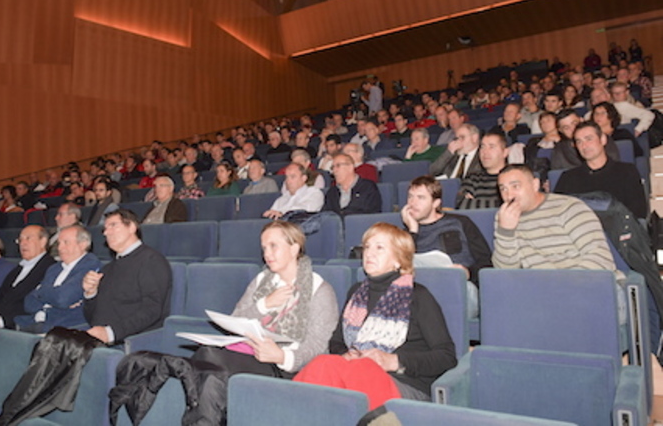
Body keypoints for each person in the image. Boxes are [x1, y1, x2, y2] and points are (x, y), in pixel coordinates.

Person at [188, 221, 339, 423]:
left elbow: (319, 346)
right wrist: (264, 305)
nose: (267, 253)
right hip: (252, 354)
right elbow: (235, 320)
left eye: (273, 246)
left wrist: (281, 355)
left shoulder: (319, 290)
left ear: (294, 249)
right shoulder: (261, 281)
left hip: (288, 367)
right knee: (209, 364)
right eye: (264, 248)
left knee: (208, 363)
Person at [293, 222, 457, 409]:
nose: (369, 253)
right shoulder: (356, 294)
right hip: (354, 375)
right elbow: (336, 342)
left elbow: (446, 357)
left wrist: (394, 361)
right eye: (367, 247)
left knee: (362, 369)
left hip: (406, 384)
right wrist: (347, 355)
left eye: (379, 248)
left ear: (399, 260)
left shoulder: (418, 296)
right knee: (324, 363)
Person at [493, 165, 618, 276]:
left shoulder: (568, 207)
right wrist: (506, 233)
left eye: (516, 186)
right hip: (540, 291)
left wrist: (563, 285)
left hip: (585, 283)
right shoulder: (504, 218)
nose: (509, 196)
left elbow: (601, 258)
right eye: (503, 189)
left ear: (535, 185)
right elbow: (505, 272)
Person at [401, 176, 492, 318]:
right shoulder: (405, 235)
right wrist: (412, 231)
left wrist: (468, 272)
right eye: (410, 197)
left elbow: (486, 261)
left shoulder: (460, 223)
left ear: (435, 203)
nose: (413, 203)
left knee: (465, 289)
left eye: (421, 198)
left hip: (458, 288)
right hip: (422, 292)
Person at [82, 209, 172, 344]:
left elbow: (152, 310)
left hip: (133, 342)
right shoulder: (107, 269)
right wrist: (90, 294)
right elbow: (93, 318)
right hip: (99, 340)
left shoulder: (151, 260)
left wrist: (111, 333)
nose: (106, 232)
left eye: (113, 225)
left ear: (132, 227)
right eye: (105, 228)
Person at [15, 225, 102, 333]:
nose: (60, 248)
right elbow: (28, 304)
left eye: (66, 242)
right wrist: (51, 295)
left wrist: (39, 291)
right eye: (59, 243)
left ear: (83, 244)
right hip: (36, 323)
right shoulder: (54, 268)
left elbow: (62, 298)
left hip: (64, 327)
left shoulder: (90, 265)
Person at [555, 122, 646, 219]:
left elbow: (638, 211)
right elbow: (558, 214)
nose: (584, 146)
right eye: (579, 142)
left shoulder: (626, 171)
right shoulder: (568, 178)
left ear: (602, 140)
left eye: (589, 139)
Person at [0, 225, 56, 329]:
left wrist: (2, 321)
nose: (23, 243)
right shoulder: (18, 269)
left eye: (28, 238)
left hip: (18, 326)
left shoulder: (50, 268)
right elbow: (0, 298)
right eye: (20, 240)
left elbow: (32, 304)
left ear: (43, 242)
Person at [456, 133, 508, 209]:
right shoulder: (472, 177)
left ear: (505, 152)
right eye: (482, 147)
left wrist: (474, 202)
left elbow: (514, 205)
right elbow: (461, 204)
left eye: (491, 147)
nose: (485, 152)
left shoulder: (513, 176)